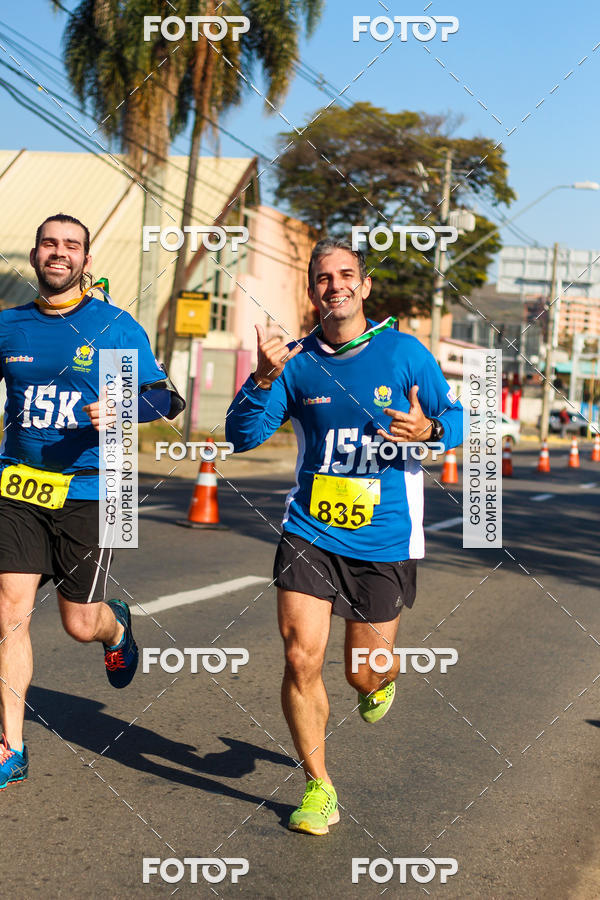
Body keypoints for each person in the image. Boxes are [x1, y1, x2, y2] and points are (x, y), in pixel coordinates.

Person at [226, 237, 464, 835]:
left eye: (346, 275)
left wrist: (430, 427)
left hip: (383, 539)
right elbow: (241, 437)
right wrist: (261, 376)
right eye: (323, 277)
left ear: (363, 286)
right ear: (312, 292)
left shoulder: (405, 353)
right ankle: (318, 786)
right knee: (299, 655)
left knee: (363, 670)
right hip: (309, 530)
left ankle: (379, 679)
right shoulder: (296, 361)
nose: (335, 285)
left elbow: (458, 421)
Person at [0, 213, 184, 790]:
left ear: (86, 259)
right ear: (34, 256)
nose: (59, 253)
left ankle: (116, 629)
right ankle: (11, 745)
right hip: (18, 486)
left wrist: (127, 409)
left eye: (71, 246)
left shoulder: (114, 326)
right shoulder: (9, 326)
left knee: (80, 624)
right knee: (9, 616)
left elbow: (166, 399)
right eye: (49, 244)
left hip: (91, 490)